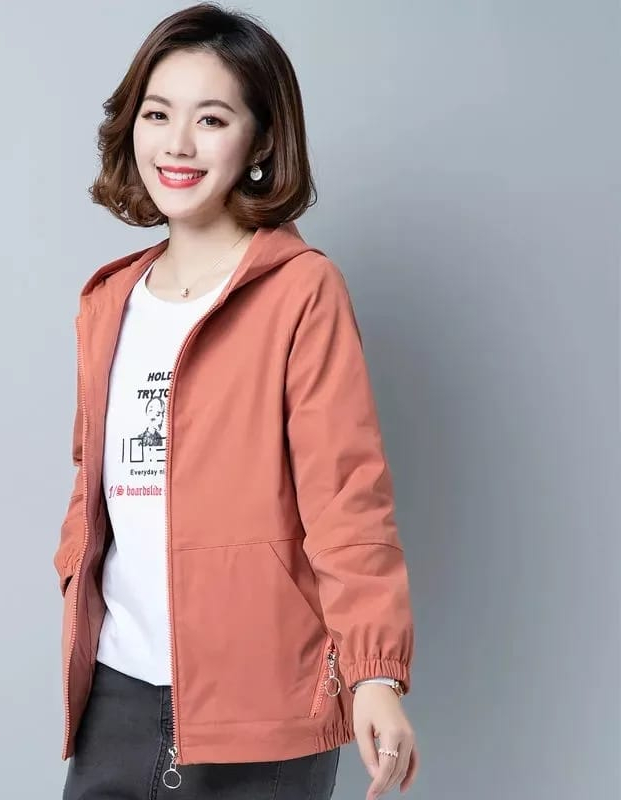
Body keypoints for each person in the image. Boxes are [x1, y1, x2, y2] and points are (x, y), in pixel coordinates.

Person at [53, 4, 419, 798]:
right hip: (117, 693)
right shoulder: (108, 301)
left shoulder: (301, 293)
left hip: (264, 698)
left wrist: (373, 674)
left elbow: (347, 497)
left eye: (212, 119)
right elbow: (96, 489)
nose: (177, 144)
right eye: (158, 114)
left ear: (259, 143)